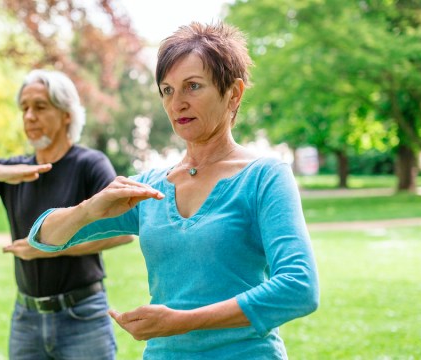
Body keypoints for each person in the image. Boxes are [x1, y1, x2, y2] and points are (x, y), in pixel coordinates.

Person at [27, 22, 319, 359]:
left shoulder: (264, 177)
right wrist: (90, 209)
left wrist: (183, 322)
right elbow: (43, 238)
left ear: (233, 93)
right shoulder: (149, 188)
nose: (177, 102)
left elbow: (300, 288)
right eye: (167, 90)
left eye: (193, 86)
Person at [0, 69, 133, 360]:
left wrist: (47, 249)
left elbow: (122, 231)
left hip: (82, 316)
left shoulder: (90, 164)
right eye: (24, 108)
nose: (29, 116)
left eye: (40, 106)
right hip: (27, 318)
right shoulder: (14, 171)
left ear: (66, 114)